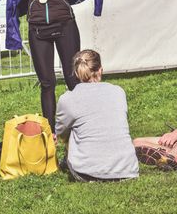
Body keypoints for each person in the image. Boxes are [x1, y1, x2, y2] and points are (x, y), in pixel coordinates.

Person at [5, 0, 114, 135]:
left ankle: (83, 125)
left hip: (65, 25)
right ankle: (50, 132)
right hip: (37, 29)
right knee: (47, 83)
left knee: (73, 79)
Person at [56, 49, 139, 182]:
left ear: (77, 73)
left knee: (71, 128)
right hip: (127, 170)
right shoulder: (118, 92)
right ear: (100, 70)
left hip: (86, 173)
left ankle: (72, 161)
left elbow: (60, 132)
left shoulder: (68, 99)